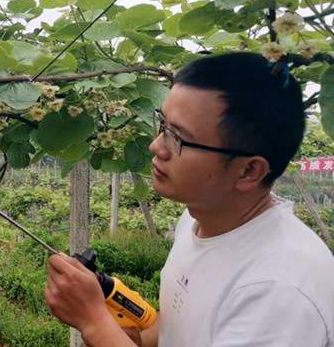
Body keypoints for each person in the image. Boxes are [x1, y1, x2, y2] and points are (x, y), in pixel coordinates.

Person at [43, 52, 334, 346]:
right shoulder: (199, 218)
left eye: (178, 138)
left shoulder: (279, 291)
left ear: (248, 170)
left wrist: (94, 322)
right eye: (163, 125)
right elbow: (182, 326)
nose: (156, 146)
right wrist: (137, 339)